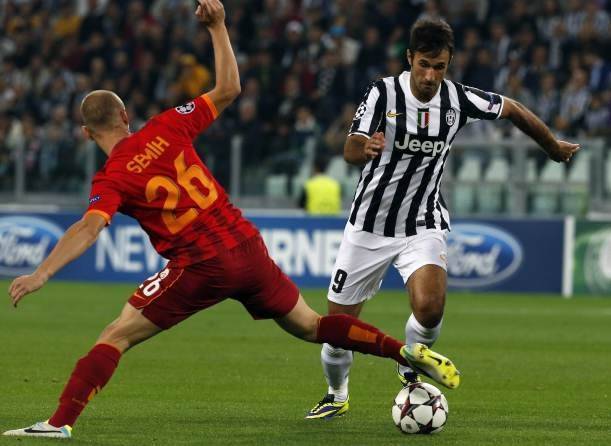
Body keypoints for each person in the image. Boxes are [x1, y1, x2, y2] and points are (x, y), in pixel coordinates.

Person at [3, 2, 458, 439]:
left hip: (200, 265)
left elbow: (89, 227)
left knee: (116, 335)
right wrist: (217, 26)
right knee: (313, 326)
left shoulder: (112, 177)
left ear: (86, 134)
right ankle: (403, 352)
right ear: (125, 116)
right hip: (247, 246)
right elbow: (228, 88)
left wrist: (42, 273)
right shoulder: (167, 124)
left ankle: (59, 422)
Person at [306, 17, 579, 420]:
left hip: (423, 222)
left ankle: (410, 361)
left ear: (449, 65)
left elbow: (512, 108)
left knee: (431, 308)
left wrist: (552, 146)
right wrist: (365, 150)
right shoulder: (383, 92)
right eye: (424, 65)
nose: (431, 76)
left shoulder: (457, 99)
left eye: (440, 67)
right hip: (368, 225)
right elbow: (350, 147)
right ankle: (336, 393)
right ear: (409, 58)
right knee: (337, 331)